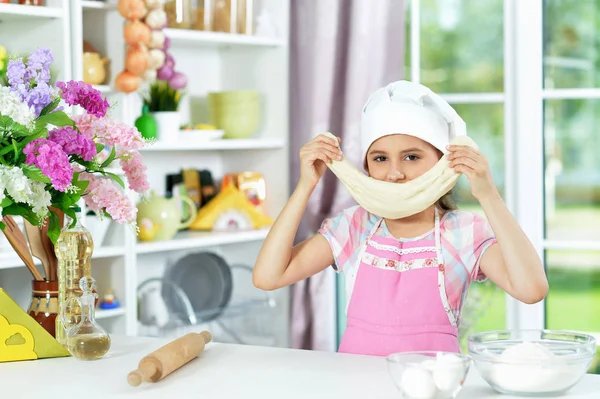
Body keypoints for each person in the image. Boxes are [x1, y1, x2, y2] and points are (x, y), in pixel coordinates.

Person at [252, 80, 548, 356]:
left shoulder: (463, 232)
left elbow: (531, 289)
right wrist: (306, 185)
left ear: (444, 164)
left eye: (411, 156)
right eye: (380, 158)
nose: (395, 173)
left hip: (433, 387)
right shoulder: (355, 227)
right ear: (366, 167)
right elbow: (268, 276)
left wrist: (489, 195)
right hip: (356, 386)